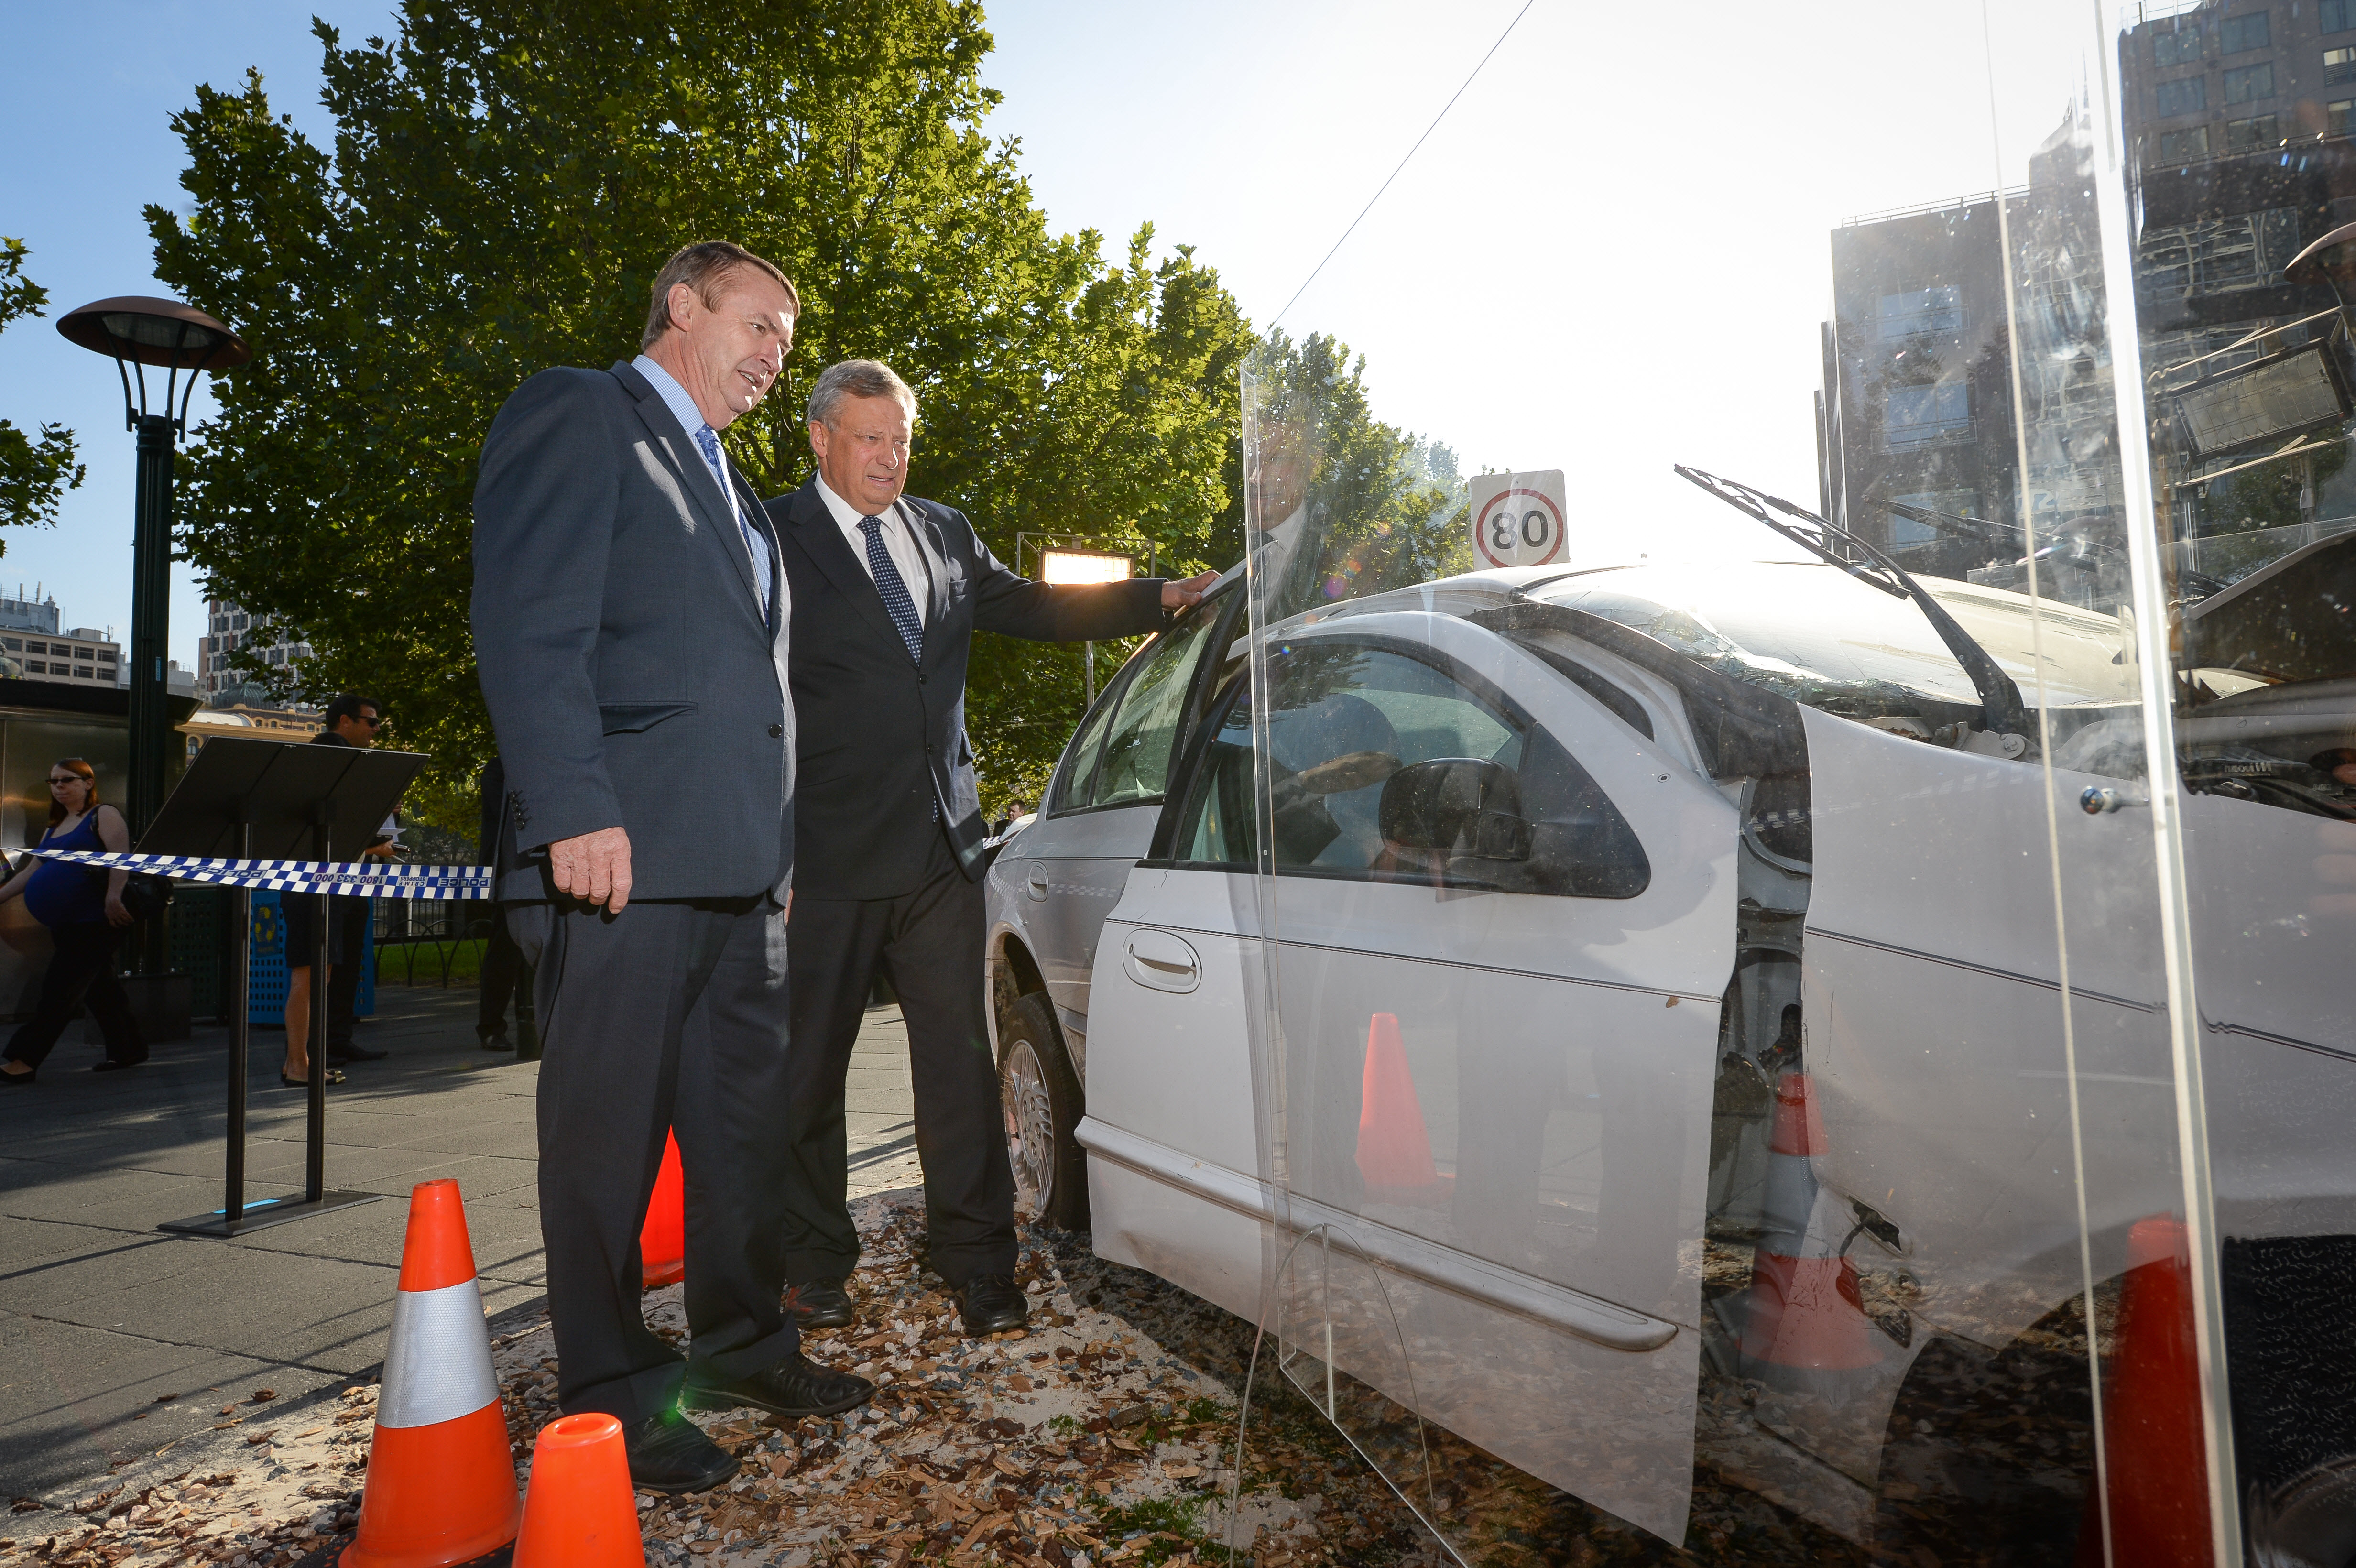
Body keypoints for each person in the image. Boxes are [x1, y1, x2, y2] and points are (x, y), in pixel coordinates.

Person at [471, 240, 870, 1495]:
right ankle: (612, 1393)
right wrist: (575, 809)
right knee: (607, 1147)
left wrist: (781, 851)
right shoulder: (582, 413)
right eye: (760, 326)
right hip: (621, 862)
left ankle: (744, 1345)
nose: (775, 357)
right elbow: (529, 624)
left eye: (787, 342)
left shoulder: (735, 490)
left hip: (742, 873)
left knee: (744, 1137)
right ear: (683, 305)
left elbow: (757, 693)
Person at [765, 359, 1216, 1337]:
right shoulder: (768, 537)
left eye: (900, 440)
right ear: (820, 438)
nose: (890, 458)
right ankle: (810, 1264)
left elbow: (1039, 608)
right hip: (820, 860)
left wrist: (1160, 596)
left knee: (960, 1073)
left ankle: (976, 1262)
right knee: (805, 1077)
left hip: (943, 852)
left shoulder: (943, 532)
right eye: (870, 439)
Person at [0, 759, 144, 1082]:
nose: (59, 787)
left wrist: (114, 897)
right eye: (53, 782)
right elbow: (34, 869)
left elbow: (121, 859)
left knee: (59, 990)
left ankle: (24, 1059)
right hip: (66, 923)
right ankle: (129, 1049)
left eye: (67, 780)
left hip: (95, 921)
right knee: (100, 989)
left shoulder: (102, 815)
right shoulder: (56, 826)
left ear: (88, 783)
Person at [280, 693, 393, 1084]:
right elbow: (327, 830)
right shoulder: (331, 751)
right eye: (371, 722)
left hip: (323, 882)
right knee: (311, 977)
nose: (376, 729)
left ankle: (301, 1061)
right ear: (345, 722)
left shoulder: (322, 760)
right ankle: (298, 1064)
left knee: (318, 977)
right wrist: (374, 845)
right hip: (316, 884)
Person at [474, 755, 525, 1051]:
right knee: (504, 951)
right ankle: (491, 1027)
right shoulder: (500, 767)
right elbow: (505, 818)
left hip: (543, 867)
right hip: (512, 871)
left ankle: (534, 1024)